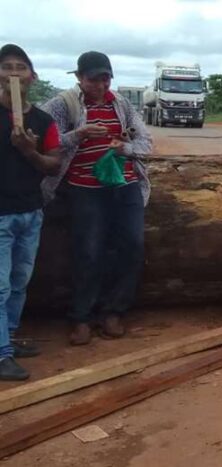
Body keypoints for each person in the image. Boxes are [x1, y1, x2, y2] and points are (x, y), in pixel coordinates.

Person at [40, 51, 153, 346]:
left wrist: (124, 148)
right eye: (93, 79)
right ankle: (81, 317)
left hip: (125, 185)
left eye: (106, 78)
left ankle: (114, 312)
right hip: (84, 188)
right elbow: (46, 140)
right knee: (88, 251)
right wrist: (79, 134)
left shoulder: (122, 104)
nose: (101, 85)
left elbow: (145, 142)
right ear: (79, 78)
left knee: (132, 245)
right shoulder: (63, 105)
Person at [0, 44, 62, 381]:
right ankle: (1, 354)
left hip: (29, 212)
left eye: (20, 67)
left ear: (32, 76)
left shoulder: (43, 120)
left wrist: (29, 151)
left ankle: (7, 338)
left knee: (19, 282)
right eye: (6, 67)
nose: (13, 73)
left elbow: (54, 165)